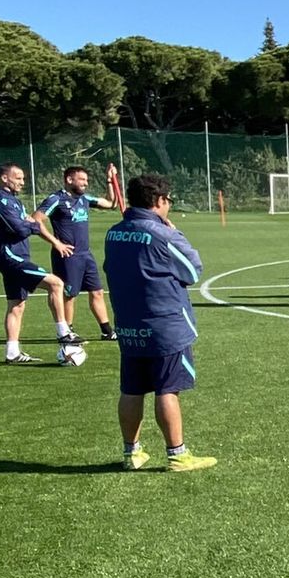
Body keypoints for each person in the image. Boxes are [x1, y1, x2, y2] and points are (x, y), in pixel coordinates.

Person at [103, 173, 215, 472]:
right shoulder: (164, 234)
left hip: (128, 323)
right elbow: (192, 271)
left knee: (132, 389)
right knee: (167, 389)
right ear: (160, 201)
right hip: (164, 325)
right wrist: (176, 234)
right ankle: (177, 454)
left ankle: (131, 453)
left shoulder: (113, 233)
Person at [0, 162, 77, 363]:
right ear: (4, 178)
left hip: (17, 256)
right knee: (56, 283)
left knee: (16, 305)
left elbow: (29, 223)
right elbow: (19, 228)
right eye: (18, 178)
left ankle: (12, 352)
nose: (22, 182)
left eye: (23, 178)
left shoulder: (14, 201)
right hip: (11, 258)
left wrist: (31, 224)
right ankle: (63, 332)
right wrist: (31, 225)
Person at [34, 164, 117, 341]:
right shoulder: (56, 199)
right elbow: (36, 220)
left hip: (85, 254)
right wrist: (56, 243)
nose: (85, 184)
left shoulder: (84, 199)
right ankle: (67, 331)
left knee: (97, 292)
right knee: (70, 294)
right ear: (69, 180)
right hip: (67, 256)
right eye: (82, 180)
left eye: (87, 180)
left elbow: (111, 204)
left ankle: (107, 331)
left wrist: (110, 180)